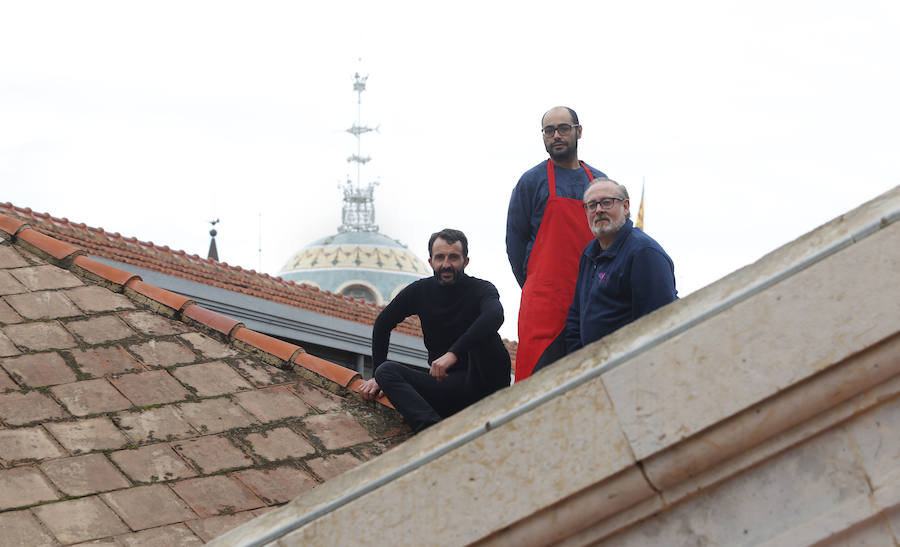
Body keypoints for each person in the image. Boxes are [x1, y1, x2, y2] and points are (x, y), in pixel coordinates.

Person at [359, 229, 511, 433]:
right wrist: (377, 377)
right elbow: (383, 323)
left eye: (453, 257)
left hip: (484, 384)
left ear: (465, 261)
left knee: (487, 336)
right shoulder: (420, 291)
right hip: (446, 387)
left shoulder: (481, 289)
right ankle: (433, 432)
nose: (446, 264)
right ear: (431, 262)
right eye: (440, 257)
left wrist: (453, 353)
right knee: (385, 371)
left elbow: (495, 315)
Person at [506, 106, 607, 381]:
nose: (556, 136)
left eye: (563, 128)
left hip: (593, 299)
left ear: (578, 131)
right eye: (549, 131)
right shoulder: (531, 182)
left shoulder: (599, 185)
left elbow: (613, 241)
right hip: (544, 305)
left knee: (591, 380)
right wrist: (538, 285)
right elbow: (514, 244)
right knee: (537, 382)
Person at [561, 178, 677, 358]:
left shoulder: (644, 253)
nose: (598, 210)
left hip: (630, 364)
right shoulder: (589, 254)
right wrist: (580, 362)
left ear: (626, 206)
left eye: (606, 202)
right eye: (591, 205)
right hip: (593, 366)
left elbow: (659, 322)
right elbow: (576, 316)